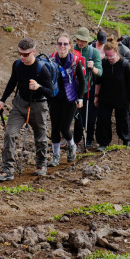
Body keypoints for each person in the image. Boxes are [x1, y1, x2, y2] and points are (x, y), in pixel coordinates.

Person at [0, 38, 55, 180]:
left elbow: (51, 92)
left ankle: (41, 164)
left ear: (33, 52)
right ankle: (7, 170)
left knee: (40, 136)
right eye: (20, 53)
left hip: (39, 106)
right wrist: (2, 101)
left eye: (25, 54)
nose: (22, 57)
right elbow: (12, 82)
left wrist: (38, 87)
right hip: (20, 104)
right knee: (10, 133)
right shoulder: (17, 65)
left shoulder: (42, 69)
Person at [48, 34, 86, 165]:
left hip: (71, 98)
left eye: (65, 44)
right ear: (57, 45)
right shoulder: (51, 59)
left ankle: (71, 146)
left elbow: (82, 81)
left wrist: (80, 98)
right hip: (55, 97)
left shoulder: (75, 61)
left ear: (70, 45)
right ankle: (56, 155)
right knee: (54, 128)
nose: (62, 46)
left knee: (64, 128)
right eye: (60, 43)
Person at [94, 38, 130, 148]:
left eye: (111, 56)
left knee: (123, 120)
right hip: (105, 97)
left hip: (122, 97)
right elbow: (98, 81)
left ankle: (126, 140)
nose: (109, 58)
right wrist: (96, 96)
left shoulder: (125, 65)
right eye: (107, 56)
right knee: (103, 120)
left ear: (116, 52)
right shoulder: (104, 63)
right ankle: (104, 142)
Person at [73, 27, 102, 149]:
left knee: (88, 117)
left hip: (87, 89)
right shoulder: (72, 49)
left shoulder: (93, 52)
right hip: (73, 89)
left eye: (83, 41)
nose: (80, 43)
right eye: (79, 40)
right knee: (76, 116)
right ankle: (76, 140)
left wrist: (93, 67)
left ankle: (89, 139)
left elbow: (100, 72)